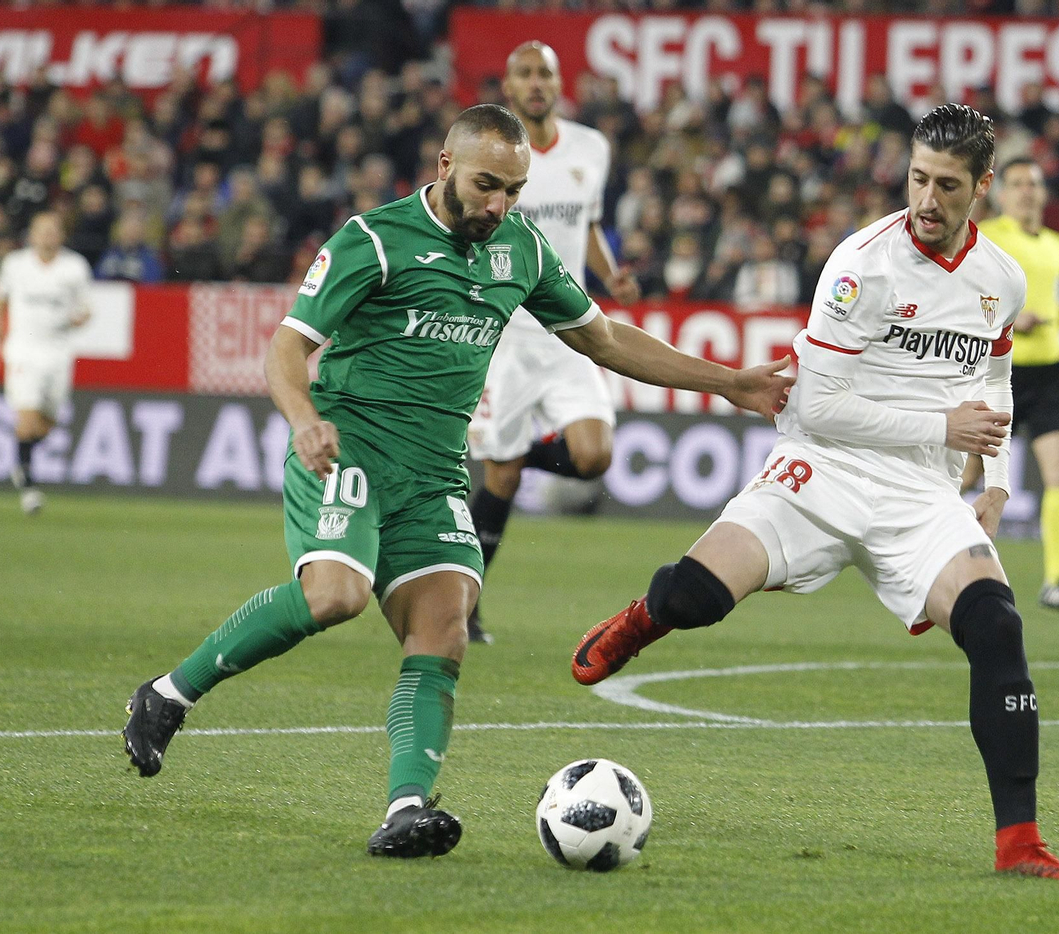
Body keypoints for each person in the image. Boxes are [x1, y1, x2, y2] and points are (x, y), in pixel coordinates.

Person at [120, 104, 793, 858]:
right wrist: (304, 418)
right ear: (444, 166)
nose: (498, 205)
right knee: (335, 596)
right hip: (351, 456)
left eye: (513, 189)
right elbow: (286, 347)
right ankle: (169, 694)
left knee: (443, 627)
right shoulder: (372, 240)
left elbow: (604, 340)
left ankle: (406, 807)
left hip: (434, 474)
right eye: (485, 185)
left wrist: (727, 382)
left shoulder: (522, 249)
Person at [570, 104, 1059, 884]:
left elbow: (994, 380)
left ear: (981, 187)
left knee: (997, 628)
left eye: (948, 185)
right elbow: (815, 406)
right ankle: (647, 616)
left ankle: (1020, 841)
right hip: (823, 469)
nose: (926, 199)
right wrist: (939, 424)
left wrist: (998, 484)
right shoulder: (861, 264)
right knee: (699, 597)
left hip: (920, 493)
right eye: (918, 178)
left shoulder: (1001, 278)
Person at [464, 42, 641, 645]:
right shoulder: (493, 156)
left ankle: (504, 454)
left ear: (559, 84)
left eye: (545, 73)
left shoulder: (591, 147)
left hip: (567, 326)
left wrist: (609, 270)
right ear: (508, 87)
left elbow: (585, 222)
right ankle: (466, 604)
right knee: (504, 485)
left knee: (593, 457)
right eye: (525, 74)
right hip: (507, 334)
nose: (536, 83)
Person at [976, 159, 1059, 612]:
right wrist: (1007, 316)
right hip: (999, 368)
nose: (1026, 191)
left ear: (1043, 194)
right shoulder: (989, 236)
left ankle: (1056, 580)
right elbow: (969, 292)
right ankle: (919, 552)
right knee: (963, 474)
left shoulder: (1058, 245)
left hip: (1048, 370)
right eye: (1017, 183)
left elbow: (1049, 298)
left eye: (1034, 184)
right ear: (1002, 194)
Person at [0, 211, 94, 515]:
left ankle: (22, 460)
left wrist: (79, 318)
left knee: (47, 422)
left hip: (57, 352)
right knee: (28, 417)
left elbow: (86, 309)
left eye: (52, 231)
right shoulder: (15, 264)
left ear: (61, 235)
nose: (46, 236)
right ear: (31, 235)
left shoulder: (74, 267)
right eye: (41, 230)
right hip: (23, 349)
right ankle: (29, 487)